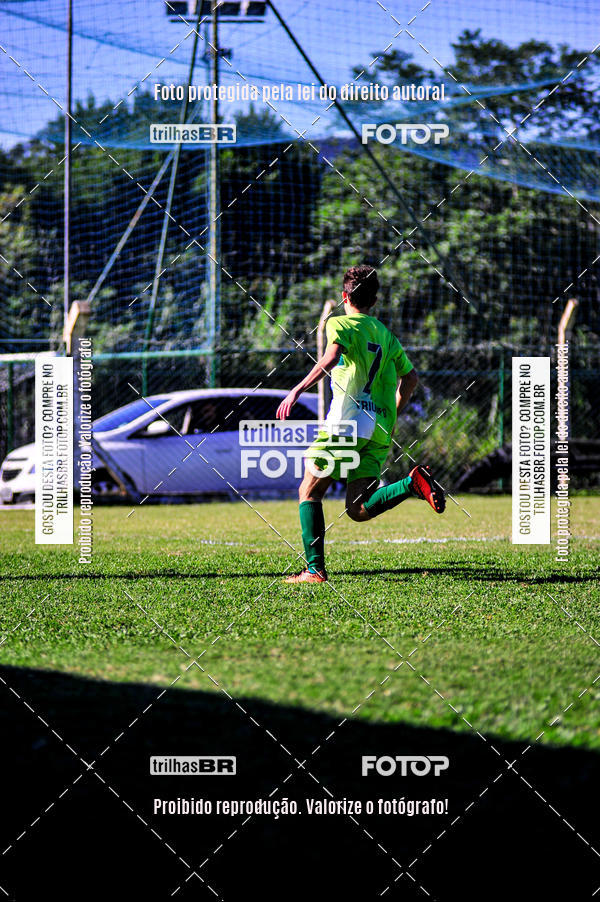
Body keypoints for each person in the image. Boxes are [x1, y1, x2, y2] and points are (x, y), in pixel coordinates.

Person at [276, 264, 445, 583]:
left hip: (346, 425)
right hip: (378, 428)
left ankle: (314, 570)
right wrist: (394, 411)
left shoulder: (339, 322)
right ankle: (410, 483)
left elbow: (329, 359)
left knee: (309, 492)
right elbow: (410, 378)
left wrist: (296, 390)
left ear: (344, 297)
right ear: (375, 300)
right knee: (358, 508)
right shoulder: (386, 335)